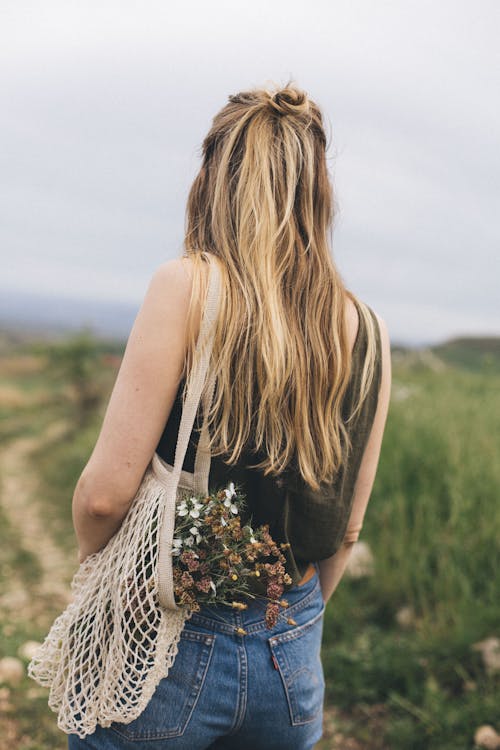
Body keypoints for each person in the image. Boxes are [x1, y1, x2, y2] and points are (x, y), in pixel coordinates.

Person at [68, 82, 391, 750]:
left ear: (215, 177)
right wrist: (291, 624)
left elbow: (104, 496)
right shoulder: (368, 331)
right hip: (294, 647)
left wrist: (100, 576)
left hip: (165, 629)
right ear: (316, 192)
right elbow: (348, 524)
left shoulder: (187, 288)